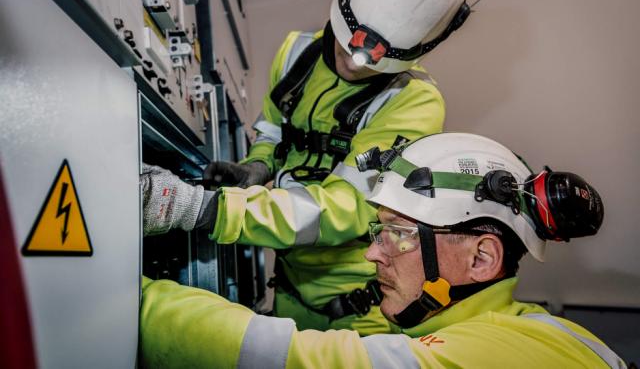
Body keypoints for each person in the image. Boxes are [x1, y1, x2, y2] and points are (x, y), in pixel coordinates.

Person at [142, 0, 491, 334]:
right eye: (347, 38)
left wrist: (208, 209)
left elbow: (341, 209)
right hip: (289, 287)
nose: (354, 60)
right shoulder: (296, 52)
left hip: (355, 311)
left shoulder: (414, 103)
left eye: (376, 58)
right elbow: (274, 126)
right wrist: (259, 164)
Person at [139, 133, 625, 368]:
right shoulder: (518, 328)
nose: (372, 255)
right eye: (380, 230)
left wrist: (131, 299)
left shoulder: (493, 356)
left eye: (400, 234)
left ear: (481, 259)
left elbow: (294, 360)